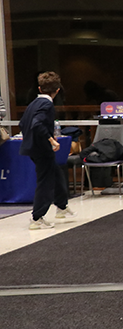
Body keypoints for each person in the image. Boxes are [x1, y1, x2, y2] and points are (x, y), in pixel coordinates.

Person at [18, 72, 75, 230]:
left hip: (32, 148)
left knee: (55, 174)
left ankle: (61, 206)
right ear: (57, 90)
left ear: (39, 88)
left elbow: (23, 123)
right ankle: (37, 217)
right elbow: (37, 124)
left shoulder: (33, 104)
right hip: (42, 149)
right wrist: (51, 140)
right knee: (45, 182)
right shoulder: (47, 105)